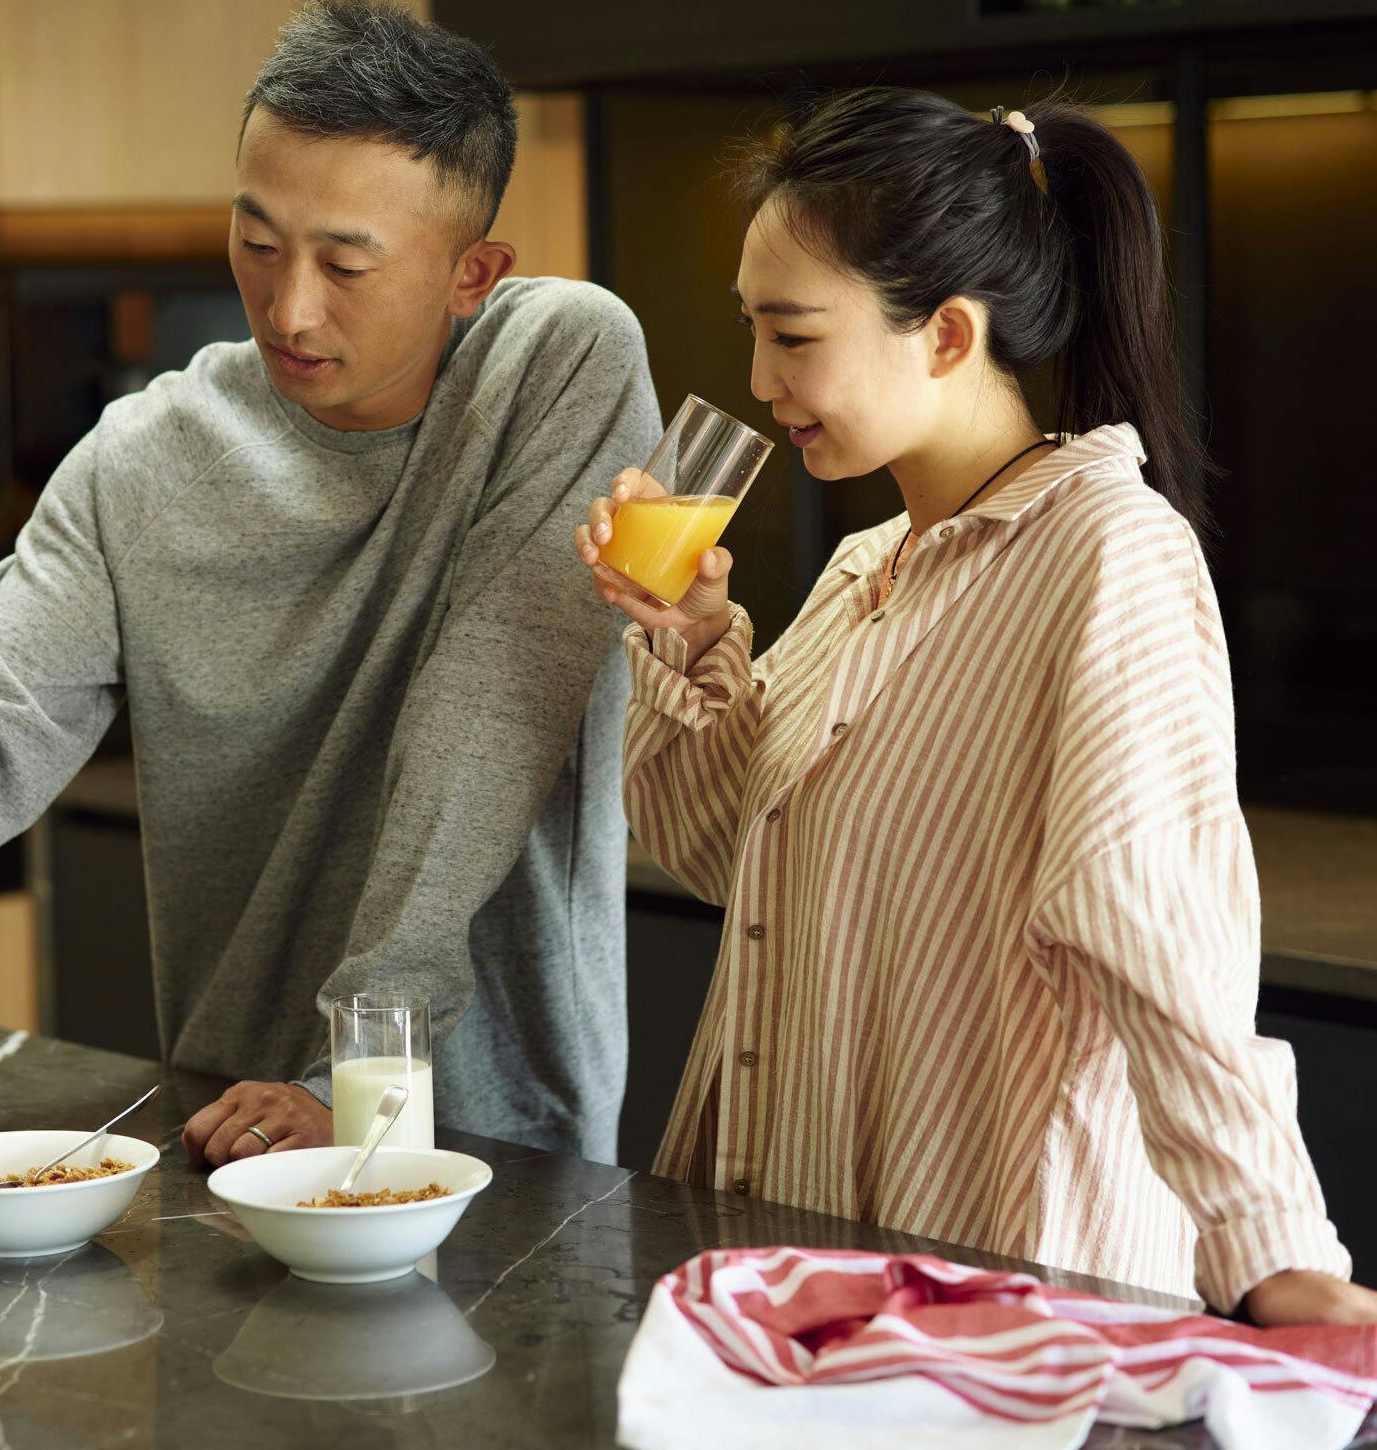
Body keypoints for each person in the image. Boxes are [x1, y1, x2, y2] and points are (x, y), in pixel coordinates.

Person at [0, 0, 658, 1165]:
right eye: (258, 242)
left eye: (346, 264)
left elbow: (481, 726)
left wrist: (359, 1068)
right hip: (233, 1126)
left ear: (471, 273)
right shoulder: (144, 460)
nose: (288, 308)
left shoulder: (560, 364)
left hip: (495, 1133)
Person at [578, 87, 1374, 1323]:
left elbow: (1157, 936)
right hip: (789, 1255)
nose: (755, 377)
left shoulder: (1106, 550)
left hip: (986, 1282)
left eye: (792, 337)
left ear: (946, 333)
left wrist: (1282, 1261)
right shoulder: (865, 568)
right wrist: (686, 642)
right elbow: (729, 856)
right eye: (751, 331)